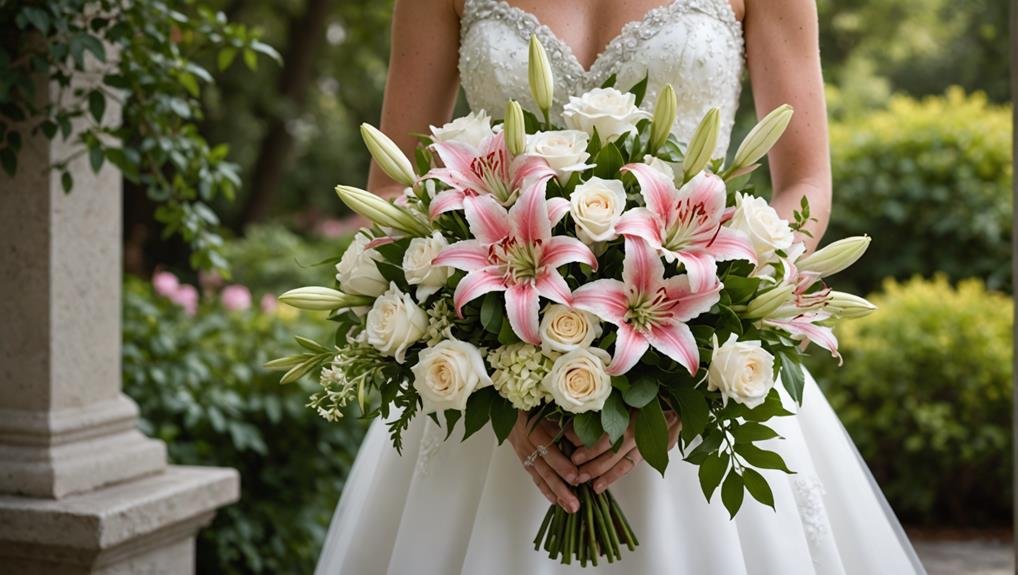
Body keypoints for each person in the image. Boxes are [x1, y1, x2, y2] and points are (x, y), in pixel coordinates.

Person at [317, 1, 927, 572]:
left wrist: (696, 363)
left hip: (693, 359)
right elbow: (394, 187)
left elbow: (804, 180)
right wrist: (499, 386)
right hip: (488, 378)